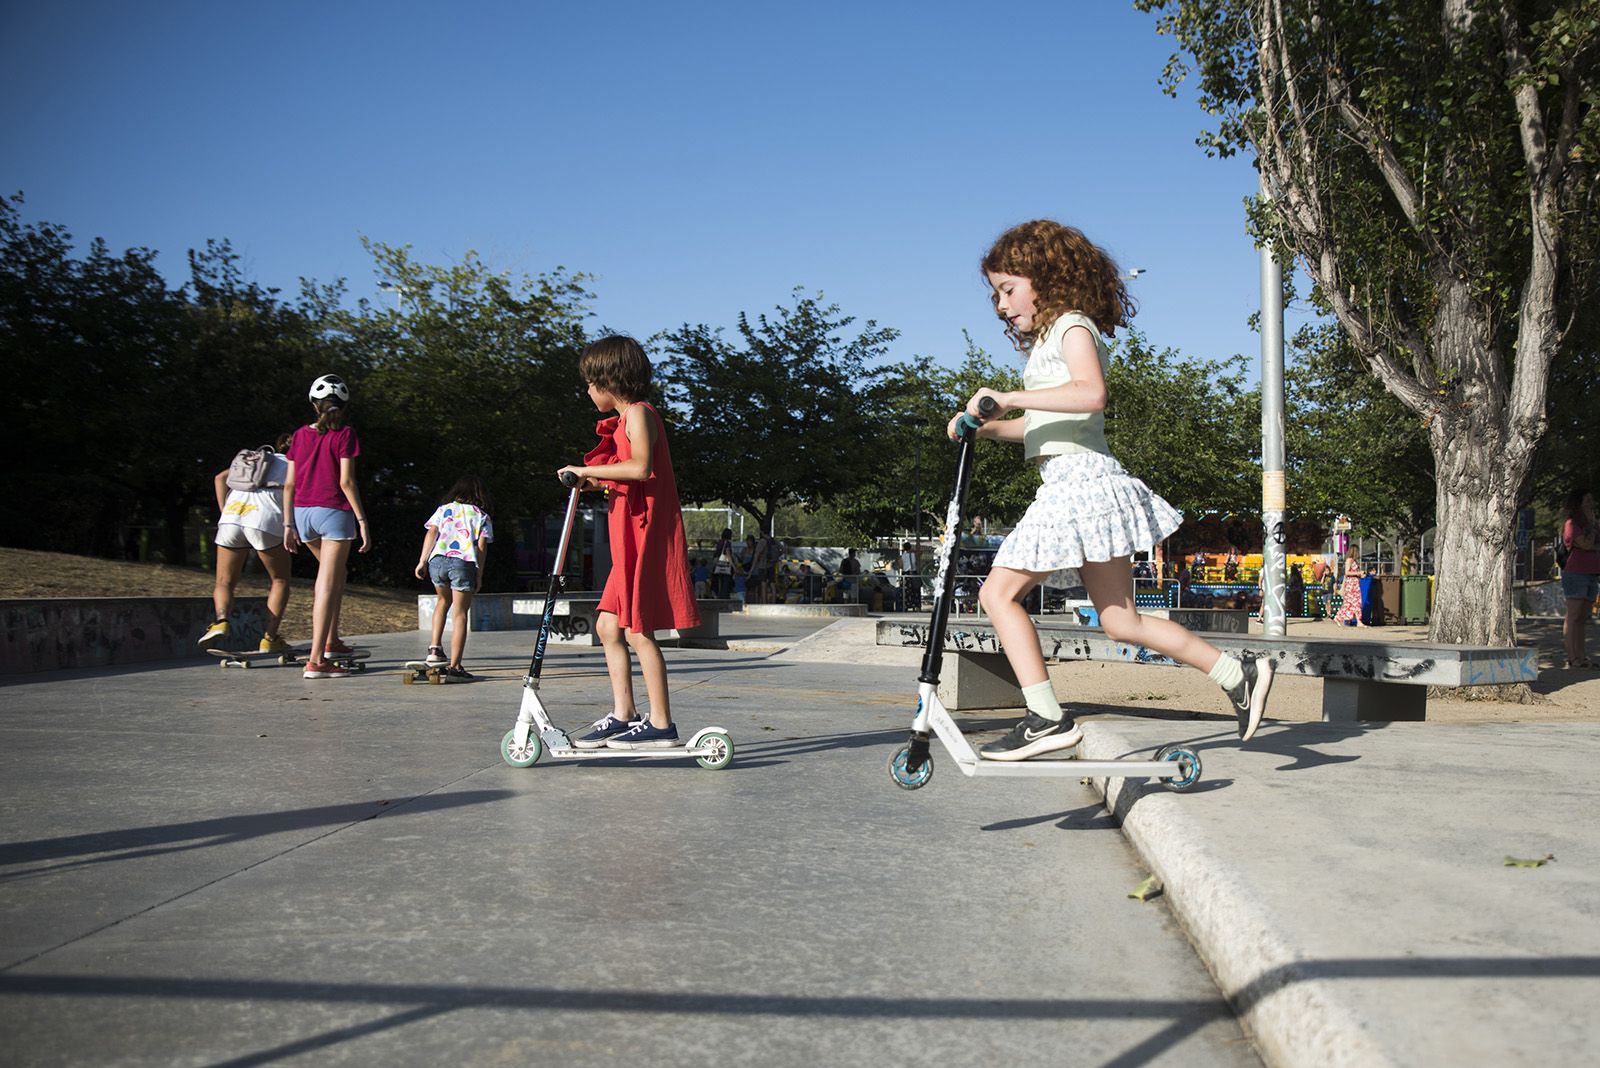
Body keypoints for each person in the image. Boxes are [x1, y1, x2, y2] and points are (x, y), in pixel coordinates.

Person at [950, 219, 1274, 759]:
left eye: (1007, 289)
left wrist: (1009, 396)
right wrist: (985, 427)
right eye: (995, 295)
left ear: (1045, 275)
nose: (1001, 305)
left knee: (996, 594)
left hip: (1078, 485)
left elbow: (1090, 393)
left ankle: (1047, 718)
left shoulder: (1072, 327)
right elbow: (1042, 428)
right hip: (1080, 477)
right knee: (1121, 620)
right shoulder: (1050, 343)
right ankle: (1236, 672)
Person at [557, 335, 701, 749]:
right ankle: (624, 713)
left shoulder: (639, 413)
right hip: (627, 534)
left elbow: (640, 468)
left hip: (644, 532)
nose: (587, 391)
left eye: (589, 382)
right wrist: (592, 480)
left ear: (609, 379)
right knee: (607, 626)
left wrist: (586, 471)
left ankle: (661, 725)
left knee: (638, 631)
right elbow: (623, 473)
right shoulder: (624, 420)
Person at [283, 374, 371, 679]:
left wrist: (287, 524)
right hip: (333, 512)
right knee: (326, 583)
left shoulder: (298, 435)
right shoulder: (345, 434)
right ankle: (316, 660)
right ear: (343, 406)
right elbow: (346, 481)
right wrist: (362, 520)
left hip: (302, 515)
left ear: (313, 404)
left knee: (336, 576)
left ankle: (332, 641)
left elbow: (289, 484)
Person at [200, 433, 295, 653]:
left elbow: (219, 478)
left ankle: (221, 621)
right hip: (265, 518)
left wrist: (224, 510)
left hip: (232, 515)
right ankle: (270, 638)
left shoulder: (256, 460)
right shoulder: (294, 464)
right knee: (280, 579)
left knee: (224, 581)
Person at [414, 476, 494, 680]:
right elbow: (482, 546)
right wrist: (479, 573)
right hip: (462, 562)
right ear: (479, 495)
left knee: (442, 601)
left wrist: (422, 561)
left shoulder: (443, 509)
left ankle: (434, 649)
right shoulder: (480, 515)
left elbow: (432, 532)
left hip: (437, 560)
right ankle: (456, 667)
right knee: (460, 613)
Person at [1560, 489, 1599, 669]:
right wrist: (1591, 525)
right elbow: (1586, 543)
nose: (1592, 503)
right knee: (1573, 616)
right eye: (1588, 500)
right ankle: (1572, 657)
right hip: (1576, 573)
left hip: (1592, 573)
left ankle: (1582, 656)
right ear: (1579, 503)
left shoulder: (1592, 525)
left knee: (1583, 617)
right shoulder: (1572, 524)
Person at [1333, 556, 1366, 627]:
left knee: (1357, 603)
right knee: (1349, 603)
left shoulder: (1354, 560)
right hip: (1351, 584)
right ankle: (1338, 617)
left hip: (1355, 583)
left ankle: (1358, 621)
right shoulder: (1349, 560)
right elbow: (1347, 572)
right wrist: (1358, 572)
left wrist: (1360, 575)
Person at [712, 526, 737, 599]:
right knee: (726, 581)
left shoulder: (720, 542)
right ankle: (724, 596)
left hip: (718, 564)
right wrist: (733, 566)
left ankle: (719, 595)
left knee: (720, 580)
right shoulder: (727, 543)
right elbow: (728, 554)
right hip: (725, 564)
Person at [899, 542, 921, 611]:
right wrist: (912, 551)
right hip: (913, 573)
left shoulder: (902, 556)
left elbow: (901, 566)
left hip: (905, 574)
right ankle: (916, 606)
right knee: (916, 590)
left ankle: (906, 605)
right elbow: (920, 552)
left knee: (906, 591)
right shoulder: (913, 554)